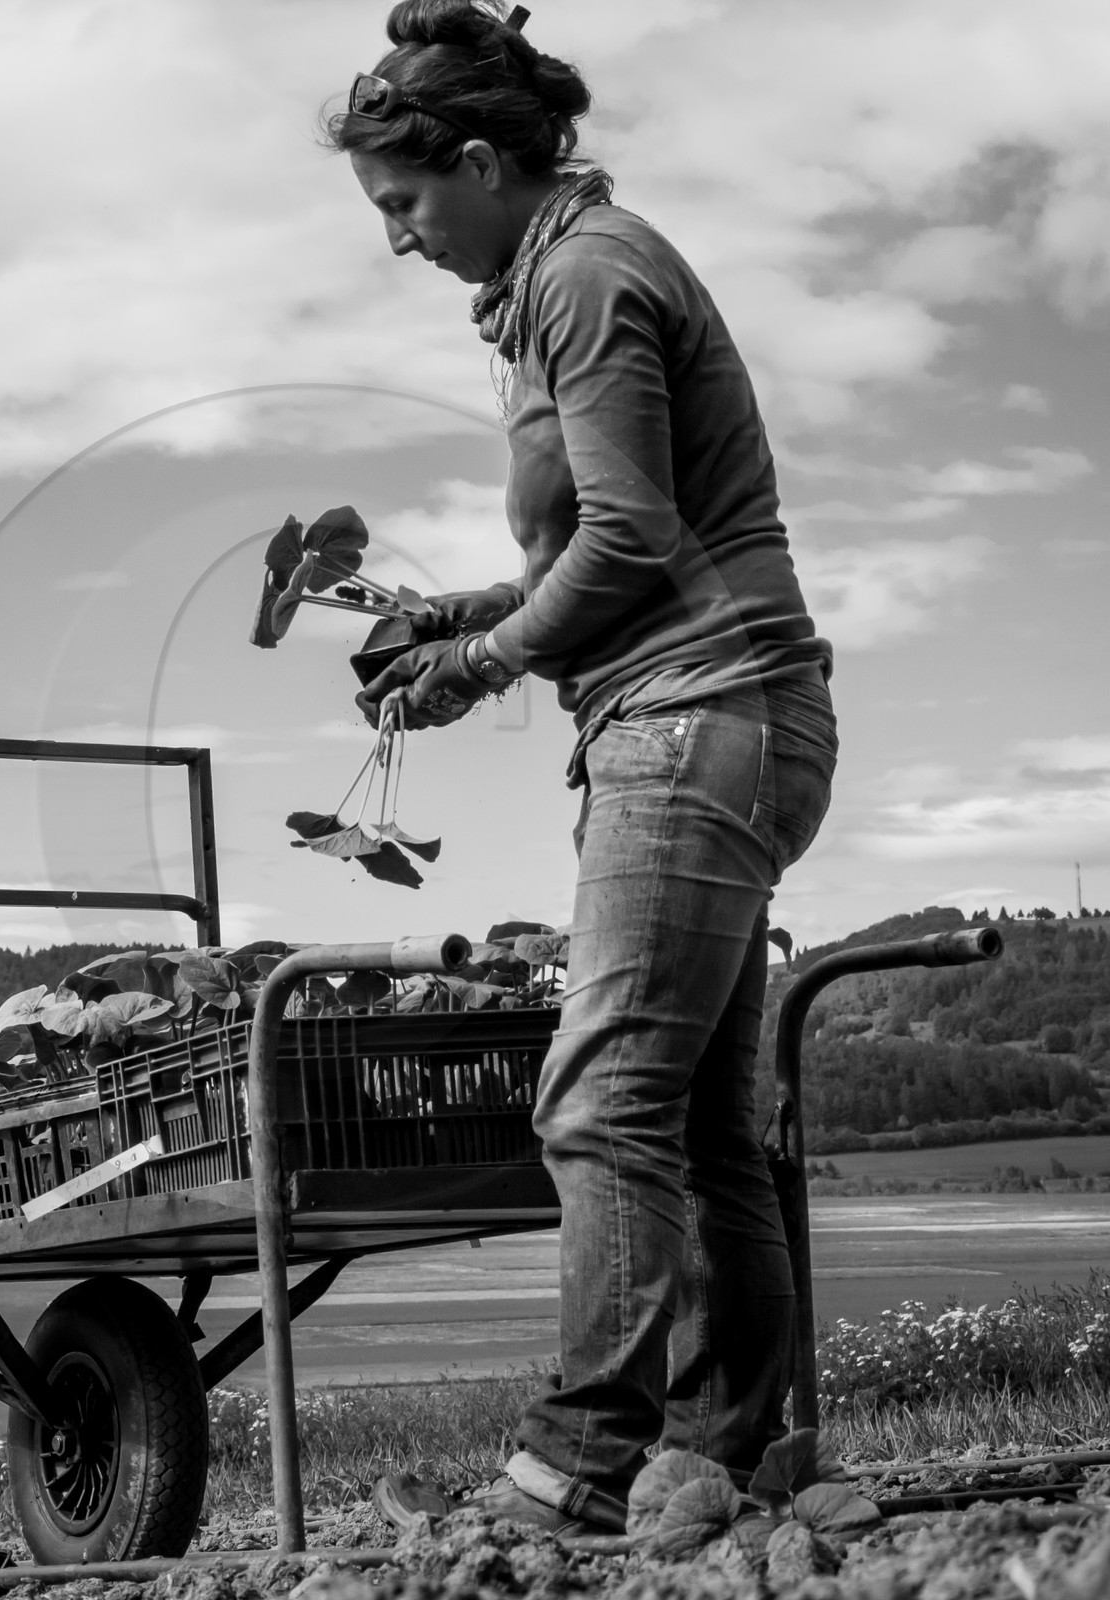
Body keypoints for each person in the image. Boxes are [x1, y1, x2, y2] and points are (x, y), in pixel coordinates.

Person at [325, 0, 839, 1537]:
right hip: (716, 714)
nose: (401, 241)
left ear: (483, 162)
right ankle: (742, 1456)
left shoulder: (589, 278)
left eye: (406, 205)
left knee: (596, 1101)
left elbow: (630, 542)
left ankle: (578, 1460)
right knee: (693, 1127)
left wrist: (483, 665)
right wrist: (466, 613)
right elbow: (622, 537)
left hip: (698, 721)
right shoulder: (571, 272)